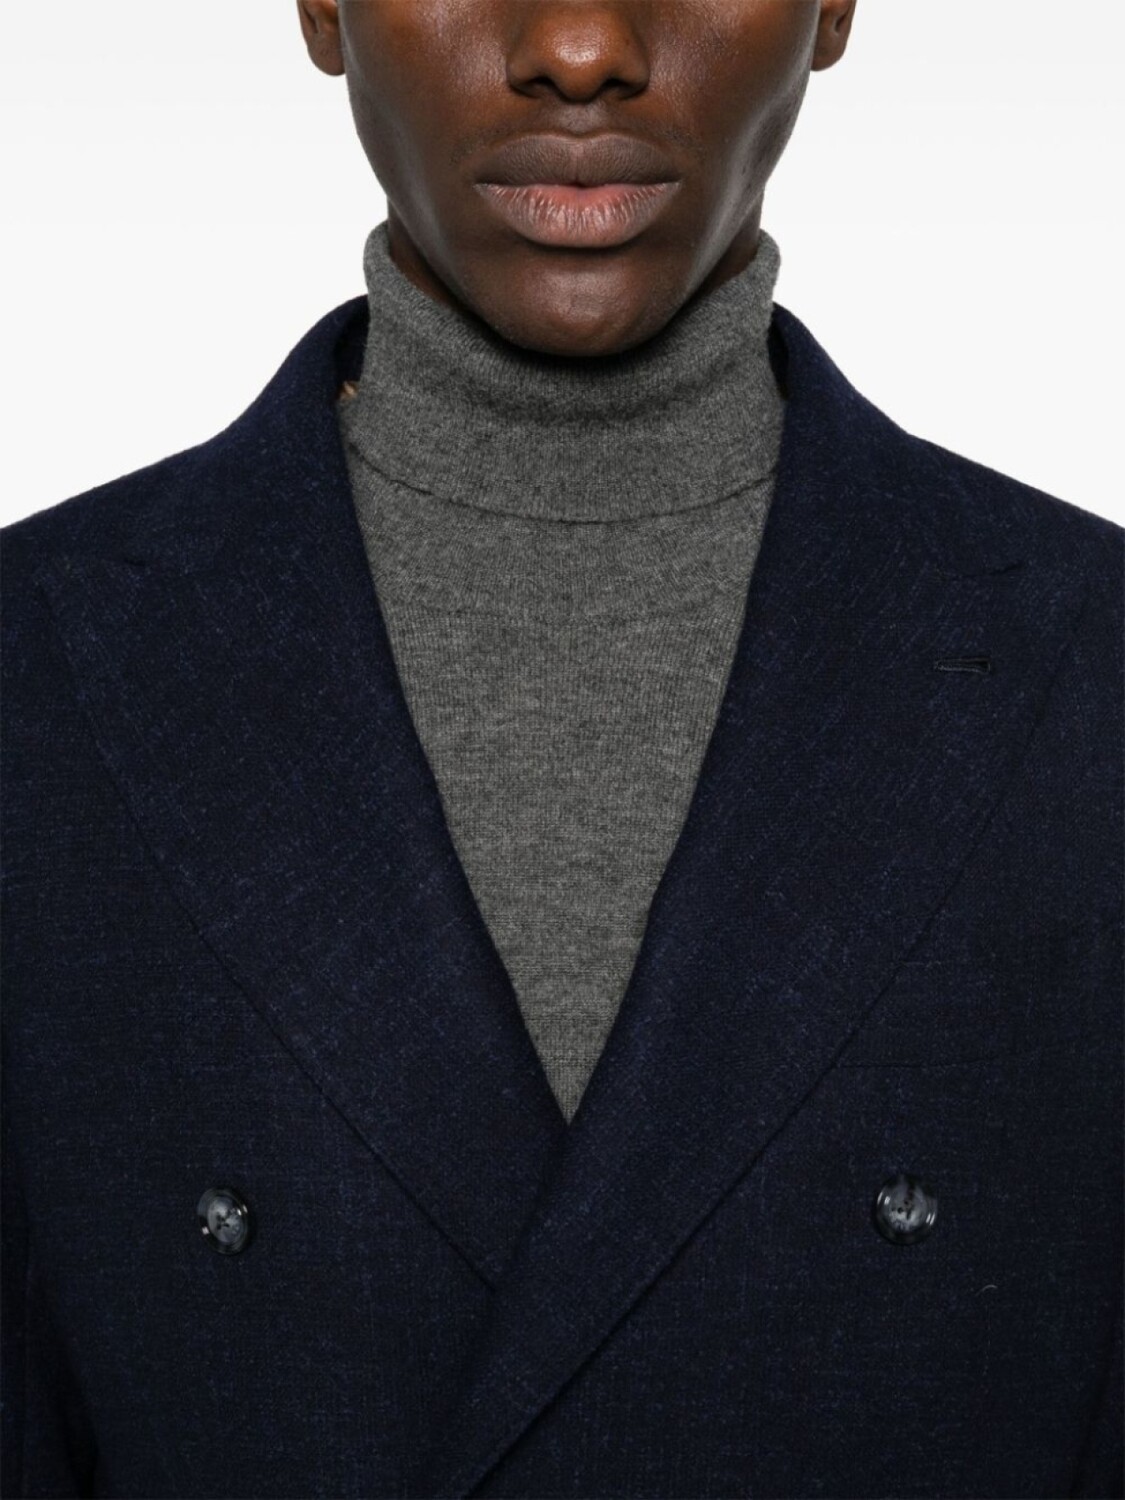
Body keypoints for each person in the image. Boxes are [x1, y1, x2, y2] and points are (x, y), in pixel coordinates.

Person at [2, 1, 1120, 1496]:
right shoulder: (35, 673)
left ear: (836, 7)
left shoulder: (1091, 673)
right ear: (322, 8)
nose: (583, 45)